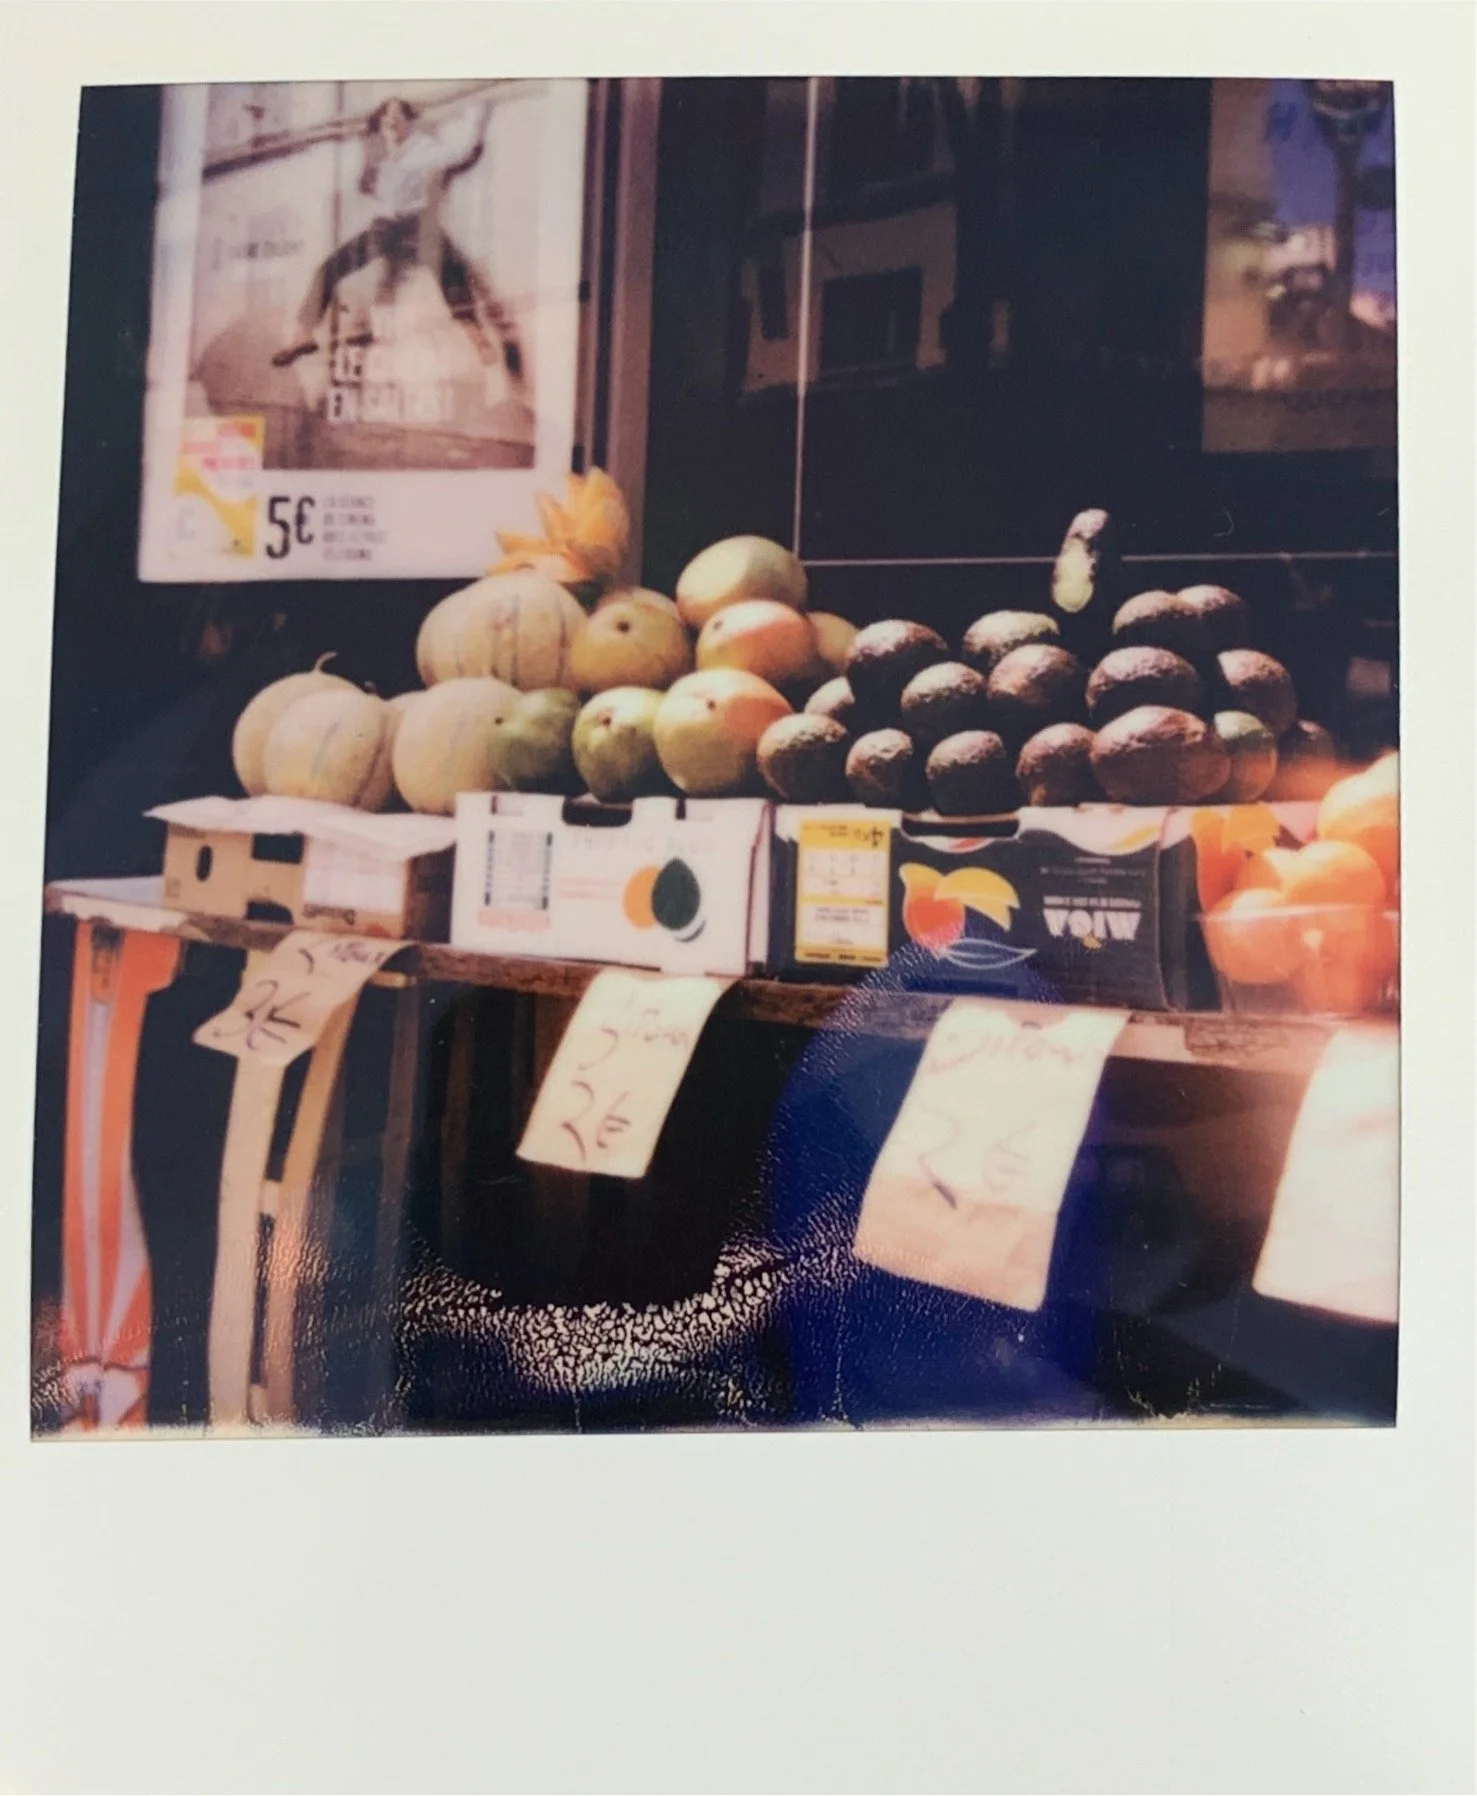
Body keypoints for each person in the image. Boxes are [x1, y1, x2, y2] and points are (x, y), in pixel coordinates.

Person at [273, 93, 523, 382]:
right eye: (386, 121)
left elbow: (464, 153)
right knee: (329, 268)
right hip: (384, 229)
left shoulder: (423, 148)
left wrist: (480, 114)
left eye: (397, 118)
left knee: (451, 275)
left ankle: (478, 339)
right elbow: (366, 183)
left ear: (408, 123)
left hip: (416, 225)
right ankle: (302, 335)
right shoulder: (380, 152)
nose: (391, 124)